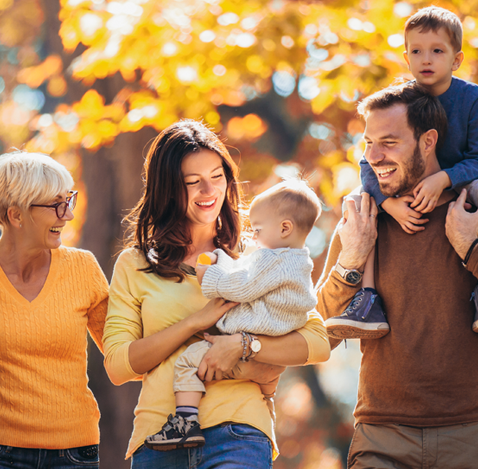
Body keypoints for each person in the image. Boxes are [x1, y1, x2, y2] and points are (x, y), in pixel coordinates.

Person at [317, 83, 478, 468]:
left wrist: (471, 250)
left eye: (389, 143)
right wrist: (351, 259)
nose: (373, 157)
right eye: (368, 143)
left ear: (428, 141)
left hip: (470, 436)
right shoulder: (362, 221)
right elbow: (316, 335)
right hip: (380, 437)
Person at [103, 120, 331, 468]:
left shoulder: (257, 254)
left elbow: (317, 342)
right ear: (167, 189)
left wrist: (243, 345)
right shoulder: (135, 264)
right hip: (158, 438)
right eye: (192, 182)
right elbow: (119, 365)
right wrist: (196, 321)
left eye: (217, 176)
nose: (209, 190)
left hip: (238, 432)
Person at [329, 6, 478, 339]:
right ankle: (367, 299)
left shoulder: (471, 97)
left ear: (456, 60)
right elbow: (369, 162)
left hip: (460, 181)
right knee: (359, 204)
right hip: (403, 185)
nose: (426, 59)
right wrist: (388, 203)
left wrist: (443, 178)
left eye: (437, 51)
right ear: (406, 57)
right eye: (416, 51)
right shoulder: (403, 99)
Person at [0, 151, 108, 468]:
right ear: (16, 216)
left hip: (73, 453)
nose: (68, 214)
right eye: (55, 205)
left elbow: (125, 353)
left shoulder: (83, 268)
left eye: (68, 200)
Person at [145, 179, 322, 451]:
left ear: (285, 228)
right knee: (266, 383)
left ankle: (185, 422)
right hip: (274, 339)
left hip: (250, 333)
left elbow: (242, 285)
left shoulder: (271, 259)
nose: (254, 237)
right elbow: (246, 270)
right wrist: (222, 259)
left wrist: (209, 276)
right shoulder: (298, 261)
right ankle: (266, 400)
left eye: (258, 229)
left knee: (188, 362)